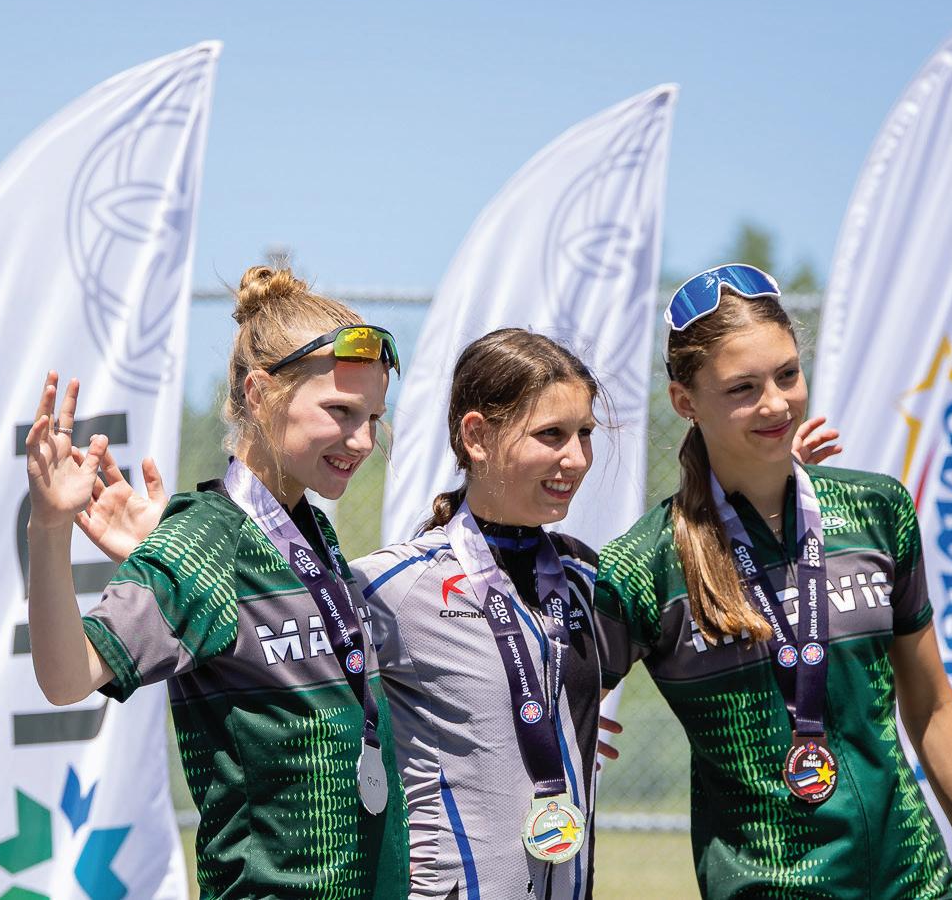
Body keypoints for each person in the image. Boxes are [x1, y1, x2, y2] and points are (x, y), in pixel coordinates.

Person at [353, 329, 840, 900]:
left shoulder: (584, 578)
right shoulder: (392, 585)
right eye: (551, 435)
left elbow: (708, 566)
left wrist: (769, 473)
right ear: (477, 436)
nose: (577, 458)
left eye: (584, 433)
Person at [593, 264, 952, 900]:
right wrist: (567, 721)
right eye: (742, 388)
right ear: (684, 401)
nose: (775, 403)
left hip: (915, 881)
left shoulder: (877, 511)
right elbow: (544, 708)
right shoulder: (644, 564)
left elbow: (932, 705)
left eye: (787, 375)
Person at [25, 264, 411, 900]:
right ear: (259, 395)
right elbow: (67, 678)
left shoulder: (310, 529)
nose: (363, 439)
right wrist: (48, 529)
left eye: (373, 416)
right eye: (340, 411)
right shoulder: (206, 539)